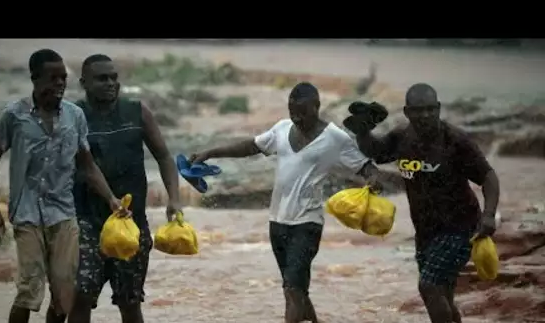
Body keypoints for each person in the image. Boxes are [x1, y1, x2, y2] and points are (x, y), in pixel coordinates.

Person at [190, 82, 382, 323]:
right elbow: (251, 146)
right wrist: (211, 152)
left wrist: (373, 179)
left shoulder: (335, 138)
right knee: (295, 289)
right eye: (293, 113)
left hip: (307, 224)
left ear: (317, 107)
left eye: (303, 113)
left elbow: (366, 166)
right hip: (277, 222)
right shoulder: (282, 128)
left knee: (292, 289)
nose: (297, 118)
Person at [0, 49, 123, 323]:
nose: (59, 84)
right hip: (26, 215)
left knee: (64, 296)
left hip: (63, 214)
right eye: (52, 78)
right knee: (29, 290)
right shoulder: (14, 116)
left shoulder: (74, 116)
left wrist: (111, 199)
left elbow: (87, 165)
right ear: (35, 79)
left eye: (63, 79)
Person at [349, 83, 500, 323]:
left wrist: (489, 215)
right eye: (418, 111)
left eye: (430, 109)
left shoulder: (455, 141)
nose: (425, 115)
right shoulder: (402, 137)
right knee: (444, 294)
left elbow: (488, 177)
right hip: (426, 231)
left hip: (461, 228)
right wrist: (362, 132)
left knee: (429, 286)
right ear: (408, 112)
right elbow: (376, 152)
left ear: (438, 108)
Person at [68, 54, 183, 323]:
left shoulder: (137, 112)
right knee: (81, 295)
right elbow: (79, 166)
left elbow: (164, 156)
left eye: (114, 78)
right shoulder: (74, 116)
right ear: (84, 82)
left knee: (130, 301)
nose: (110, 83)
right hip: (87, 221)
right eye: (102, 78)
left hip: (132, 224)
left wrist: (174, 199)